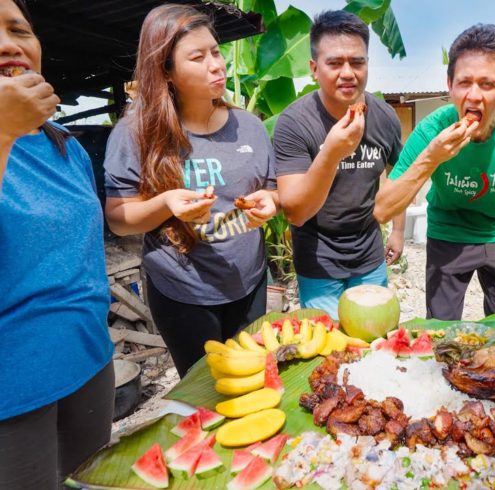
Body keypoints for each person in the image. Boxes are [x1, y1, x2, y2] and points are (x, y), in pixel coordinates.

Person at [104, 4, 277, 376]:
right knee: (206, 394)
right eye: (197, 57)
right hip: (183, 291)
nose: (216, 64)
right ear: (166, 71)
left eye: (215, 52)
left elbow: (270, 190)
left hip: (249, 281)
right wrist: (166, 203)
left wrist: (270, 202)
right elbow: (119, 219)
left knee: (253, 382)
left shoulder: (250, 127)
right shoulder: (136, 133)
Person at [0, 0, 114, 487]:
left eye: (18, 29)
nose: (8, 44)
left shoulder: (65, 146)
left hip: (91, 362)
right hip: (13, 392)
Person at [375, 24, 495, 321]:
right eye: (464, 82)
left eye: (488, 84)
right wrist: (432, 157)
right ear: (450, 85)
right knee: (442, 330)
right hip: (448, 231)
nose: (474, 96)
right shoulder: (430, 131)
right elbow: (383, 207)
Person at [273, 10, 405, 319]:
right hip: (318, 260)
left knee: (374, 343)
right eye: (334, 63)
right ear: (314, 68)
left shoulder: (384, 116)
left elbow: (399, 177)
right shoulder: (294, 123)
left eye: (357, 62)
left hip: (370, 255)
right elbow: (295, 210)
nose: (348, 72)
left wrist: (398, 231)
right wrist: (332, 152)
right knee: (328, 353)